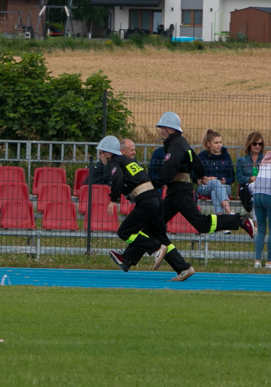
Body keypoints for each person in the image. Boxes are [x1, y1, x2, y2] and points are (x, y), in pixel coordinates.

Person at [151, 112, 254, 253]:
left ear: (171, 129)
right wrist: (201, 176)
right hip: (176, 191)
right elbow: (196, 161)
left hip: (180, 191)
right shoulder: (182, 142)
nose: (161, 131)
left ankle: (240, 220)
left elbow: (170, 167)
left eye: (163, 127)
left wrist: (156, 183)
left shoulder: (175, 145)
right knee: (156, 222)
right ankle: (131, 258)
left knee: (202, 224)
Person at [98, 135, 177, 278]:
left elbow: (118, 179)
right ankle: (127, 259)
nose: (100, 157)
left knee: (124, 232)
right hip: (156, 200)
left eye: (101, 153)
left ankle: (156, 248)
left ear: (108, 153)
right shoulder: (129, 161)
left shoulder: (114, 162)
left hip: (146, 202)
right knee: (155, 233)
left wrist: (113, 199)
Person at [196, 129, 236, 215]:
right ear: (209, 144)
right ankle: (229, 212)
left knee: (215, 191)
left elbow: (232, 177)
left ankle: (220, 219)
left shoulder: (226, 156)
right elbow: (194, 175)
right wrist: (203, 179)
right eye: (216, 143)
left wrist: (225, 180)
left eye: (220, 142)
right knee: (215, 183)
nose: (219, 145)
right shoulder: (201, 157)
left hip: (224, 186)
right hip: (205, 187)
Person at [236, 131, 265, 213]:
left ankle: (256, 223)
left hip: (262, 186)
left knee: (256, 197)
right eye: (255, 144)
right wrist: (250, 179)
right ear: (250, 144)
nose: (257, 146)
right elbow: (239, 178)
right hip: (247, 187)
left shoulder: (266, 159)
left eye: (260, 144)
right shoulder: (241, 160)